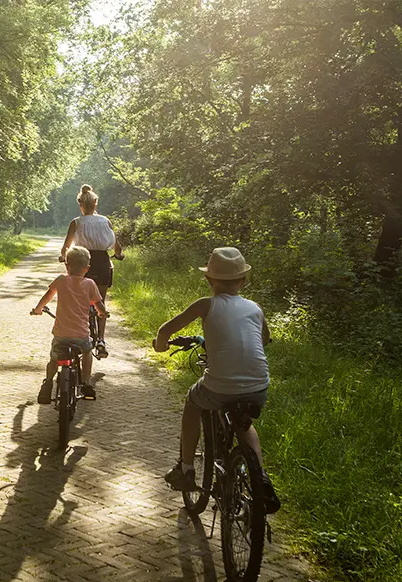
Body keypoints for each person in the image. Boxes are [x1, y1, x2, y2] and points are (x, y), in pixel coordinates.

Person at [153, 247, 280, 513]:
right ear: (243, 281)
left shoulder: (205, 304)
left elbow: (166, 330)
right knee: (245, 425)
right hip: (259, 385)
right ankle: (260, 478)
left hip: (219, 385)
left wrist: (161, 346)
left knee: (192, 403)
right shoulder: (255, 308)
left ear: (209, 280)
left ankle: (186, 469)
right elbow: (265, 339)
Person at [32, 246, 108, 403]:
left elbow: (47, 297)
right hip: (81, 336)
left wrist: (38, 309)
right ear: (87, 268)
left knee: (54, 359)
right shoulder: (90, 284)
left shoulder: (61, 280)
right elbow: (99, 305)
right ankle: (86, 382)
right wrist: (102, 313)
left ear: (67, 266)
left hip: (61, 334)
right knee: (87, 352)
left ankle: (47, 383)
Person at [60, 184, 122, 359]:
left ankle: (79, 336)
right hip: (102, 263)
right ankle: (101, 339)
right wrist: (119, 254)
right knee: (100, 302)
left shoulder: (76, 222)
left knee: (80, 302)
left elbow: (66, 247)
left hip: (82, 261)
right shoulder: (105, 221)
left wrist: (64, 258)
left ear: (80, 204)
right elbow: (116, 246)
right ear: (95, 203)